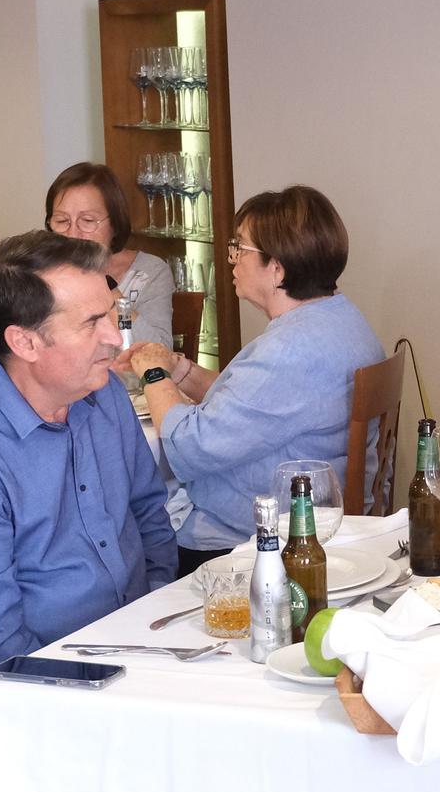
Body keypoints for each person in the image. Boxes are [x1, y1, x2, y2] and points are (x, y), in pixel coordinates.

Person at [0, 231, 177, 730]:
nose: (115, 337)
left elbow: (150, 516)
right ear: (24, 341)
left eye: (110, 313)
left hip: (134, 658)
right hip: (16, 698)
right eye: (92, 322)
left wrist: (153, 623)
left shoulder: (103, 393)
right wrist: (111, 694)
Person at [121, 185, 383, 572]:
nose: (231, 260)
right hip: (314, 515)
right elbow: (251, 406)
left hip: (247, 540)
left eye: (239, 249)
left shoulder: (290, 350)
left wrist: (153, 373)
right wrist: (181, 371)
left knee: (125, 519)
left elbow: (190, 447)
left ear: (277, 268)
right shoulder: (339, 319)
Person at [45, 160, 174, 348]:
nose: (73, 233)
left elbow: (160, 352)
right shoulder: (40, 271)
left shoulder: (149, 272)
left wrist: (106, 287)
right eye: (62, 220)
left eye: (87, 220)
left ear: (114, 224)